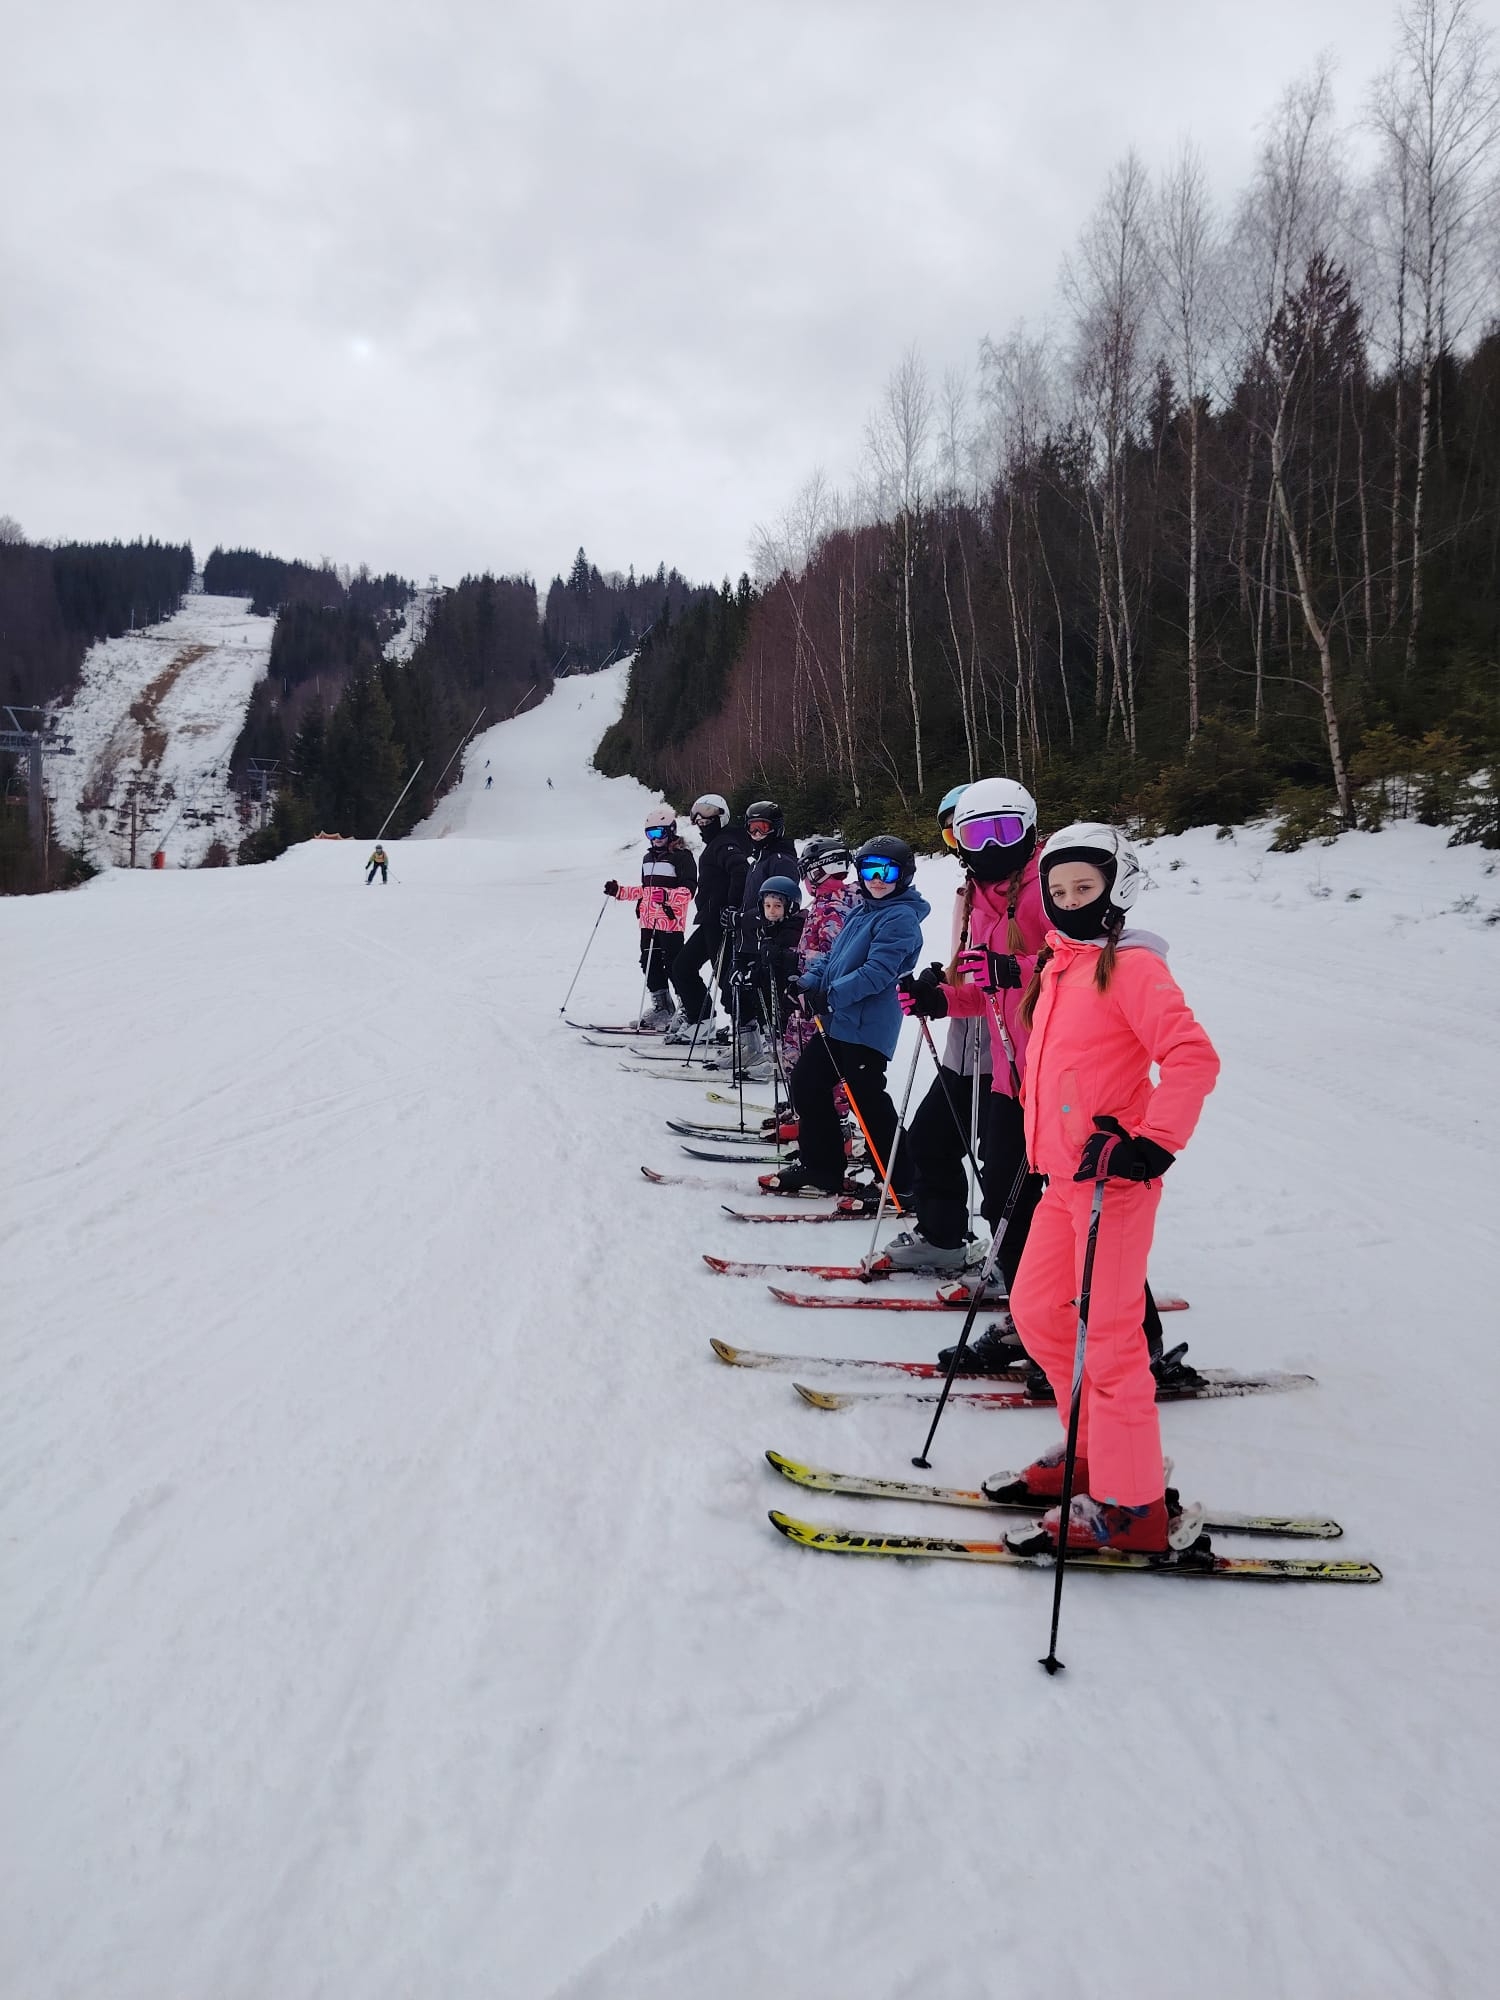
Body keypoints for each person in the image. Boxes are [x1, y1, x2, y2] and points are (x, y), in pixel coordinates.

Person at [987, 823, 1220, 1556]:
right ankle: (1090, 1455)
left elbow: (1192, 1056)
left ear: (1117, 889)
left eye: (1083, 888)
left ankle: (1133, 1505)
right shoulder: (1059, 965)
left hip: (1111, 1184)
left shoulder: (1132, 967)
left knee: (1111, 1342)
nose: (1068, 902)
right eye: (1057, 892)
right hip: (1060, 1180)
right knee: (1037, 1312)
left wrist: (1151, 1143)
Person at [892, 778, 1047, 1289]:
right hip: (992, 1056)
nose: (989, 846)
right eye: (969, 836)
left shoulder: (1047, 885)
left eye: (1003, 831)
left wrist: (1011, 971)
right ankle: (962, 1246)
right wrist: (940, 995)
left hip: (1038, 1063)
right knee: (950, 1151)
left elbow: (1078, 962)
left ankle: (1043, 1280)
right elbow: (981, 983)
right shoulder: (975, 894)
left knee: (1014, 1179)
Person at [761, 836, 928, 1200]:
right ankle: (822, 1167)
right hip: (840, 1023)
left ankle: (903, 1182)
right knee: (807, 1083)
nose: (877, 879)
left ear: (904, 875)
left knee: (868, 1101)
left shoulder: (900, 918)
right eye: (869, 871)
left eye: (887, 872)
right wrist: (807, 982)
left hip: (867, 1027)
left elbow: (876, 973)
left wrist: (828, 996)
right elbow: (832, 959)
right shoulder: (863, 910)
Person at [665, 795, 751, 1042]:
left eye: (708, 818)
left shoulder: (724, 843)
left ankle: (751, 1033)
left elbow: (741, 870)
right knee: (682, 966)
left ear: (721, 817)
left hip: (720, 923)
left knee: (725, 977)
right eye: (698, 820)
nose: (702, 824)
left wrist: (731, 907)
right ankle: (702, 1021)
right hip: (710, 921)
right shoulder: (718, 842)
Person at [603, 808, 697, 1027]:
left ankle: (686, 1007)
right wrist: (619, 891)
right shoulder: (647, 859)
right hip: (647, 921)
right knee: (649, 963)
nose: (656, 839)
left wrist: (667, 896)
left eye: (660, 833)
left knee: (674, 965)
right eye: (650, 834)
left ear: (671, 831)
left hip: (670, 921)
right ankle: (663, 1007)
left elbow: (689, 891)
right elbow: (646, 891)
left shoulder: (682, 857)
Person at [729, 800, 799, 1075]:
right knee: (741, 992)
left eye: (763, 828)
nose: (757, 834)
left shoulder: (780, 860)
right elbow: (756, 901)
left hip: (768, 941)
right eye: (752, 828)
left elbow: (779, 906)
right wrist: (737, 916)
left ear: (776, 829)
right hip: (750, 939)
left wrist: (744, 919)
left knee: (768, 999)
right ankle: (752, 1048)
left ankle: (777, 1053)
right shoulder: (759, 858)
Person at [731, 875, 805, 1083]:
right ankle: (773, 1056)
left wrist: (779, 957)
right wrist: (750, 973)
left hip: (788, 990)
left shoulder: (794, 929)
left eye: (777, 906)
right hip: (771, 986)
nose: (771, 911)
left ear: (790, 907)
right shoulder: (768, 929)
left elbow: (797, 958)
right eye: (767, 906)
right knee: (768, 1017)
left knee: (782, 1020)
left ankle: (784, 1060)